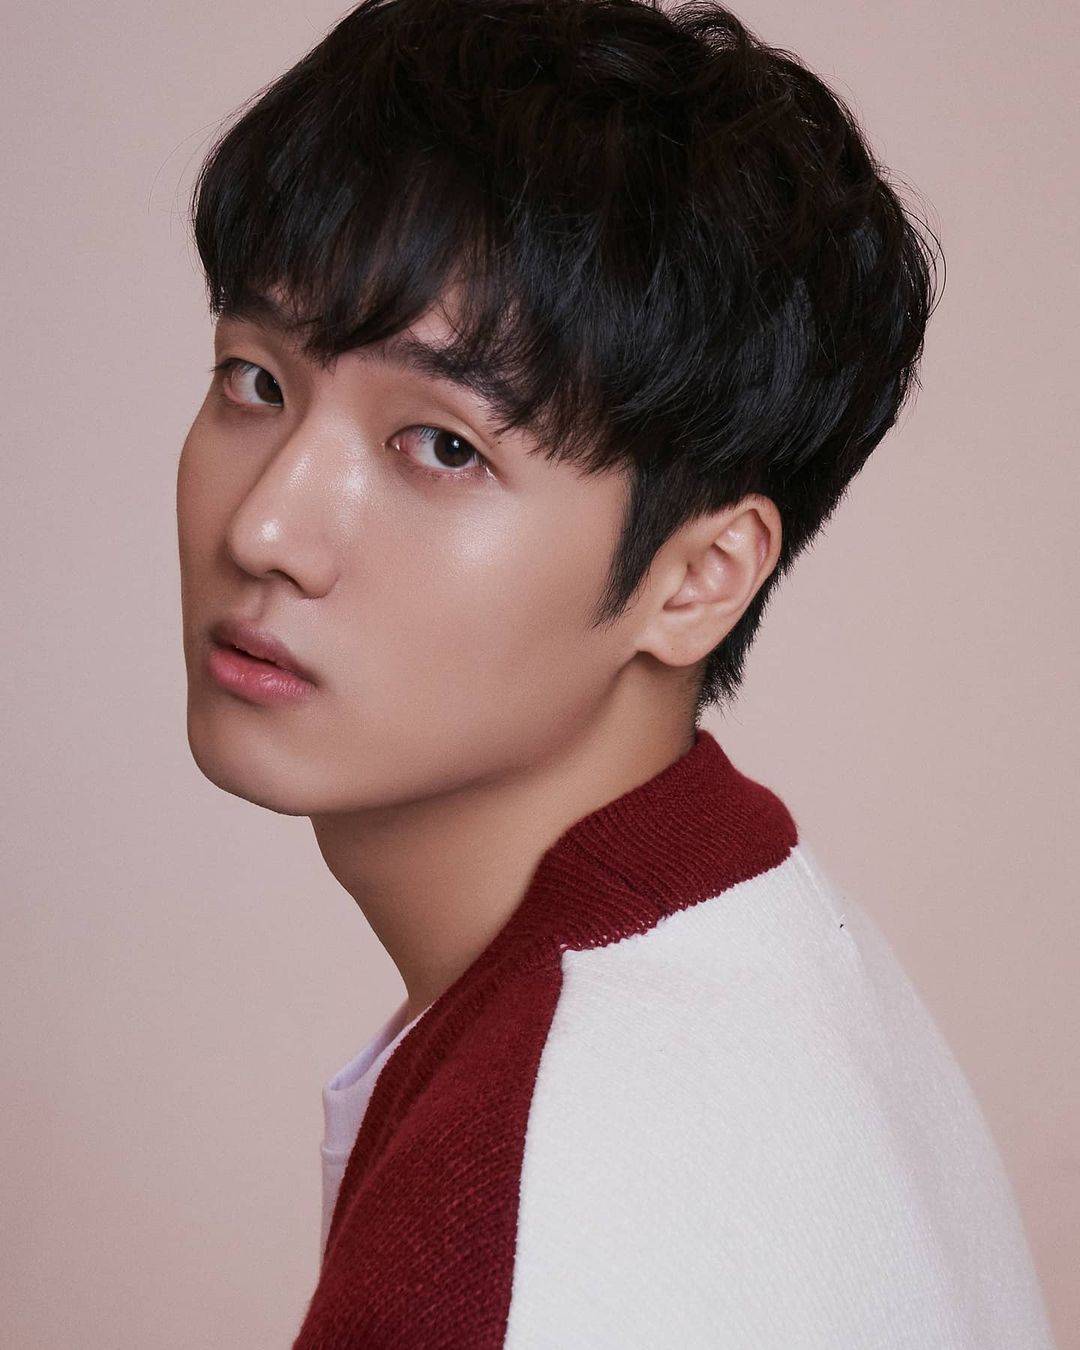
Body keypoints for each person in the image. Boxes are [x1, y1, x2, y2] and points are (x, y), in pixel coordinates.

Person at [176, 0, 1056, 1344]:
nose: (265, 529)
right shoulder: (765, 943)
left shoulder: (532, 1212)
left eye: (445, 447)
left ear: (698, 578)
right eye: (255, 380)